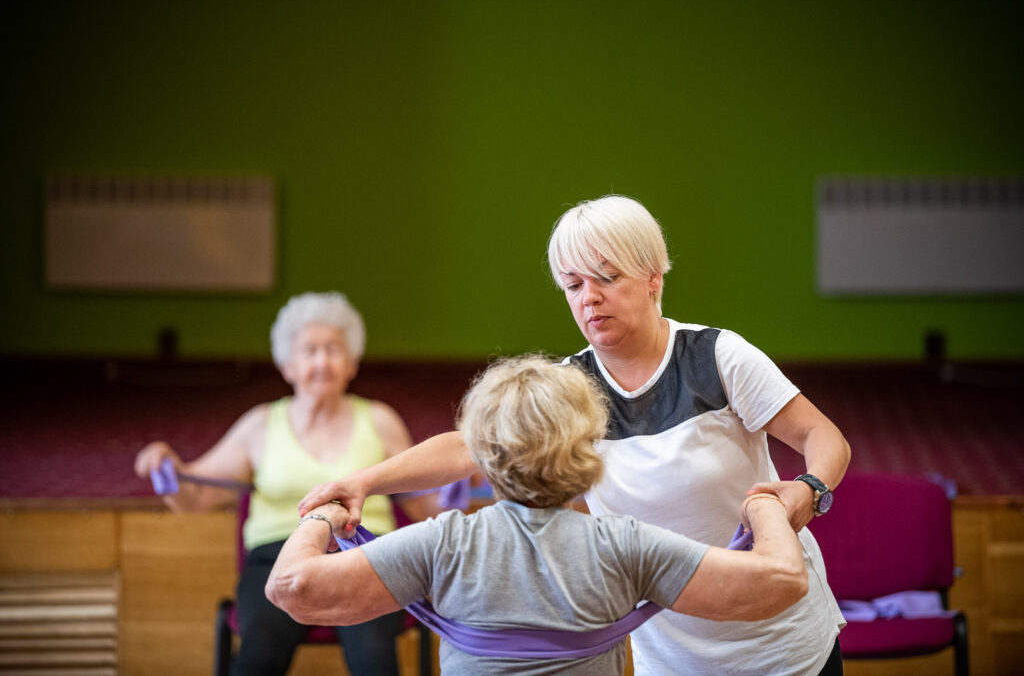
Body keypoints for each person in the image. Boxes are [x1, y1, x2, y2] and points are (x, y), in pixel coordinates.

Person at [299, 195, 851, 675]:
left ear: (654, 277)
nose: (588, 297)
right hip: (671, 650)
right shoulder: (570, 384)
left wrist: (809, 488)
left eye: (607, 278)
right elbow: (470, 446)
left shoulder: (716, 355)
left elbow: (825, 439)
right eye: (573, 284)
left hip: (785, 642)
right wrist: (364, 481)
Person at [269, 355, 809, 675]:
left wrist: (326, 516)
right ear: (589, 449)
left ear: (483, 455)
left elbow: (292, 587)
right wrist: (764, 506)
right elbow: (781, 581)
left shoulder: (442, 544)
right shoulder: (627, 546)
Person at [134, 291, 439, 676]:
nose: (322, 361)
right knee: (259, 656)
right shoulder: (260, 424)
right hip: (276, 558)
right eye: (309, 351)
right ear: (288, 366)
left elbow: (426, 505)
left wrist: (460, 485)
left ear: (351, 363)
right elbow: (195, 497)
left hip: (365, 554)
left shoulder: (380, 420)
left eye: (333, 350)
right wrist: (166, 467)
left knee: (374, 659)